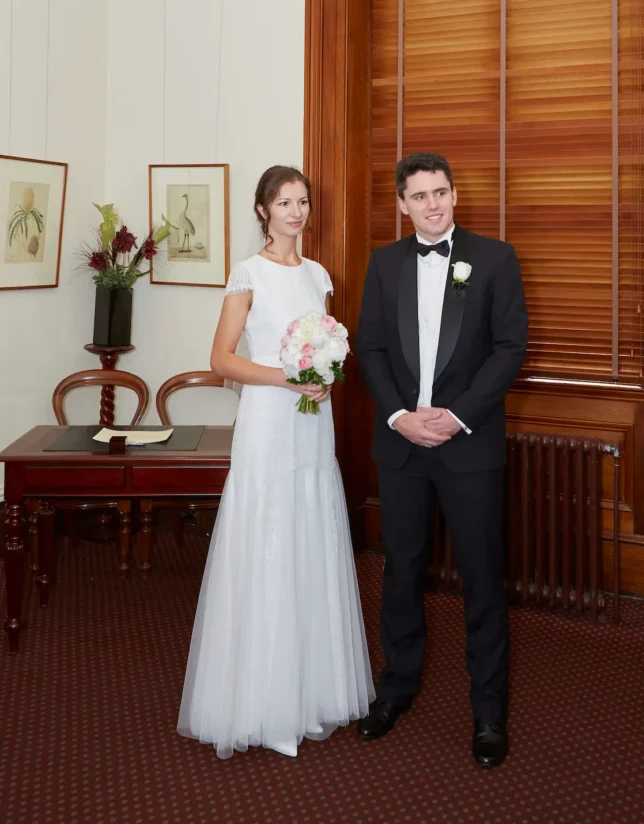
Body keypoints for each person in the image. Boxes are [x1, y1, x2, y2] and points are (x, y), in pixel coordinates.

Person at [178, 165, 374, 758]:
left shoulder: (319, 276)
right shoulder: (247, 274)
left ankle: (312, 687)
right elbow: (220, 359)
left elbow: (328, 353)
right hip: (267, 419)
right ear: (263, 210)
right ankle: (258, 698)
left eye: (303, 201)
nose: (296, 211)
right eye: (284, 202)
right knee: (266, 534)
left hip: (313, 423)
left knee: (310, 532)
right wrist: (288, 378)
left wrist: (324, 378)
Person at [354, 152, 527, 768]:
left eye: (441, 192)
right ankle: (394, 690)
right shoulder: (383, 263)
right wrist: (401, 417)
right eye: (420, 195)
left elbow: (509, 350)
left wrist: (454, 417)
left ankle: (488, 711)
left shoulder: (496, 259)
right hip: (401, 445)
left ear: (455, 195)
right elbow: (369, 347)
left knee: (481, 577)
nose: (432, 204)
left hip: (468, 445)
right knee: (400, 572)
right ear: (402, 204)